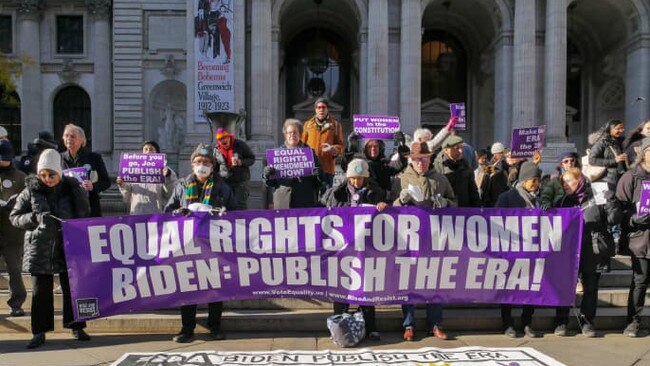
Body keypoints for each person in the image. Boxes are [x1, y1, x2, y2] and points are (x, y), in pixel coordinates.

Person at [9, 149, 91, 349]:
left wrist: (81, 195)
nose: (47, 179)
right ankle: (39, 332)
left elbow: (84, 214)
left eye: (51, 175)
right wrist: (33, 219)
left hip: (68, 246)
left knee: (72, 289)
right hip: (40, 247)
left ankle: (76, 326)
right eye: (43, 175)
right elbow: (14, 217)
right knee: (40, 293)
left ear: (60, 173)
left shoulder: (71, 189)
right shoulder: (30, 191)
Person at [164, 143, 237, 343]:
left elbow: (235, 212)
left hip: (214, 244)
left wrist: (223, 213)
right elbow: (168, 211)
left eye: (205, 162)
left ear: (212, 165)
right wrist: (178, 213)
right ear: (192, 165)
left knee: (216, 287)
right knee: (188, 287)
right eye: (198, 162)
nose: (201, 164)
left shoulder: (222, 186)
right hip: (188, 245)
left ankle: (215, 327)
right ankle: (187, 329)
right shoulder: (181, 185)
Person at [392, 141, 457, 341]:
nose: (421, 163)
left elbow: (456, 204)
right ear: (411, 160)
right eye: (417, 159)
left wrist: (446, 203)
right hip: (409, 240)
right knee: (409, 282)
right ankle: (409, 324)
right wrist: (401, 200)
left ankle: (435, 324)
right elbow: (390, 209)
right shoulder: (400, 179)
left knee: (434, 282)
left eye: (424, 159)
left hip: (434, 239)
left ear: (430, 159)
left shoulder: (441, 179)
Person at [321, 158, 387, 341]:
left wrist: (383, 207)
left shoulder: (376, 191)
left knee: (365, 286)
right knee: (341, 287)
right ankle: (338, 324)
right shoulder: (339, 192)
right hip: (343, 248)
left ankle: (371, 326)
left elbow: (387, 213)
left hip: (366, 248)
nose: (357, 182)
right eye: (354, 178)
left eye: (360, 178)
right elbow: (327, 210)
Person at [553, 167, 622, 337]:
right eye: (563, 182)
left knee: (591, 287)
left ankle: (587, 322)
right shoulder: (563, 201)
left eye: (569, 180)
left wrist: (611, 202)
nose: (565, 184)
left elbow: (613, 219)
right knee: (565, 286)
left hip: (592, 248)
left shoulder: (598, 196)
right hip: (570, 250)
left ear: (580, 179)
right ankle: (561, 321)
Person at [495, 161, 542, 338]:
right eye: (533, 180)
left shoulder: (538, 199)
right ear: (523, 180)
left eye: (537, 180)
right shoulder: (507, 197)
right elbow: (496, 221)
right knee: (508, 288)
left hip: (532, 251)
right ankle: (507, 324)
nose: (536, 184)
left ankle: (527, 323)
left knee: (530, 288)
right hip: (511, 251)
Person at [616, 137, 650, 338]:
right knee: (640, 281)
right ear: (643, 154)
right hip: (641, 239)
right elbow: (618, 209)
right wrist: (634, 218)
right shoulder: (631, 177)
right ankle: (633, 322)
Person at [264, 119, 323, 209]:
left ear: (300, 134)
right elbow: (270, 183)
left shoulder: (310, 153)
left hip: (305, 200)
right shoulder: (276, 156)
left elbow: (320, 182)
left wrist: (319, 174)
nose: (292, 135)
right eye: (289, 133)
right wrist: (266, 174)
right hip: (283, 202)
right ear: (285, 135)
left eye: (295, 132)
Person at [0, 140, 27, 317]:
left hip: (12, 232)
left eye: (6, 159)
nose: (4, 162)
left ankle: (17, 302)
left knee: (14, 269)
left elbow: (26, 202)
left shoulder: (20, 177)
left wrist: (13, 206)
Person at [60, 124, 111, 217]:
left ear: (81, 140)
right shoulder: (59, 158)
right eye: (66, 136)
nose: (68, 139)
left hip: (89, 207)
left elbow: (106, 182)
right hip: (67, 208)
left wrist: (93, 186)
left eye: (72, 136)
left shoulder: (94, 158)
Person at [116, 140, 177, 214]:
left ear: (157, 153)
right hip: (137, 213)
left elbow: (170, 193)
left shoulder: (166, 171)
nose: (148, 152)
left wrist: (167, 176)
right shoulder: (133, 170)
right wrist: (122, 184)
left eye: (151, 149)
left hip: (156, 214)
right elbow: (127, 195)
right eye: (145, 149)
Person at [301, 98, 344, 189]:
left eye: (323, 107)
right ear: (315, 109)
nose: (321, 110)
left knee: (325, 199)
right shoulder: (307, 125)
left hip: (327, 170)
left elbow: (340, 145)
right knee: (311, 199)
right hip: (311, 170)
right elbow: (302, 146)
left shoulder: (336, 125)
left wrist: (334, 149)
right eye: (318, 107)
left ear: (327, 109)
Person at [432, 135, 481, 207]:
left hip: (463, 212)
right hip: (445, 213)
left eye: (461, 147)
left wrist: (478, 210)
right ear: (446, 150)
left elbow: (473, 192)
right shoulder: (437, 167)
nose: (460, 151)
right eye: (456, 148)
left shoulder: (465, 166)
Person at [213, 128, 256, 209]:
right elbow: (215, 168)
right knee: (226, 205)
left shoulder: (240, 144)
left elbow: (251, 158)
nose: (224, 143)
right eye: (221, 141)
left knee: (240, 205)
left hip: (241, 182)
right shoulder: (217, 150)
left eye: (225, 140)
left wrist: (241, 162)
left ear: (229, 137)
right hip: (225, 182)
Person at [588, 119, 627, 190]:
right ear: (610, 129)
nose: (621, 131)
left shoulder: (623, 141)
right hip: (608, 180)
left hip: (622, 177)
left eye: (622, 128)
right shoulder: (602, 143)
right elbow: (592, 160)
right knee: (610, 199)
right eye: (618, 129)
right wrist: (614, 160)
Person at [482, 142, 510, 207]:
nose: (494, 156)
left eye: (496, 154)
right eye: (493, 154)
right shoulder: (493, 164)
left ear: (501, 153)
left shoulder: (503, 164)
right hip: (491, 196)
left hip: (496, 197)